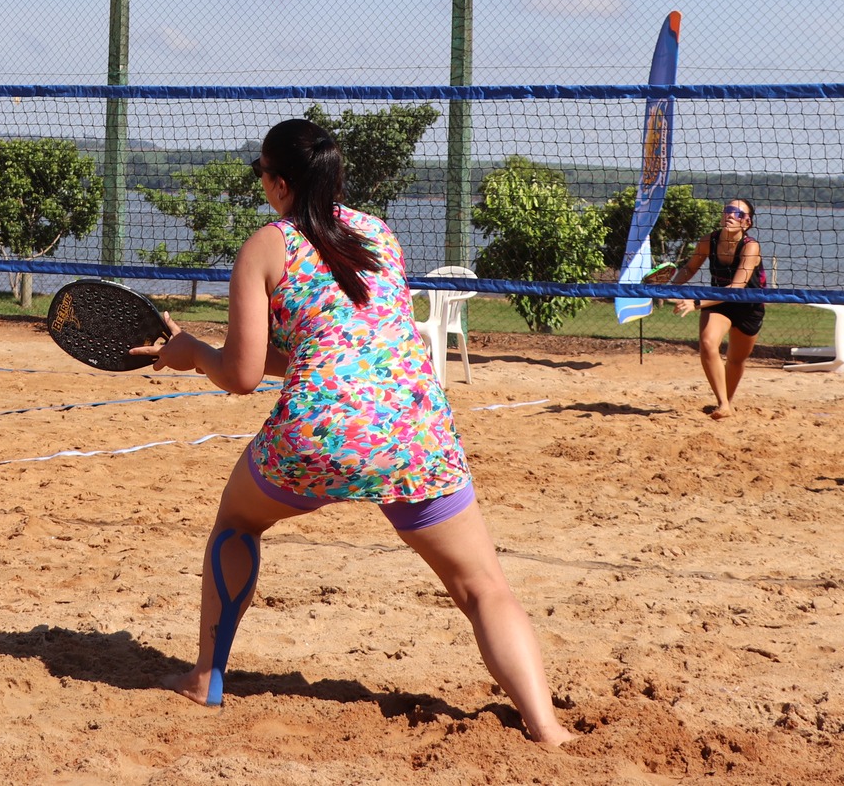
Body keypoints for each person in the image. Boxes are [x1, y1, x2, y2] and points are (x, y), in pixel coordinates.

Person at [135, 118, 572, 745]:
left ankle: (207, 678)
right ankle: (547, 727)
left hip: (317, 433)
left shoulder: (266, 246)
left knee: (236, 523)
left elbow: (239, 375)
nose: (260, 183)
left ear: (280, 181)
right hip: (413, 428)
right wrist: (203, 349)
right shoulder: (378, 234)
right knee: (484, 588)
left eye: (261, 173)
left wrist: (188, 351)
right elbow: (342, 347)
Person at [668, 199, 764, 420]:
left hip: (747, 306)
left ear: (747, 222)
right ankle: (723, 404)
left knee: (736, 360)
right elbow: (690, 267)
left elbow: (737, 287)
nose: (731, 215)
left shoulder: (751, 246)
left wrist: (696, 303)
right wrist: (670, 289)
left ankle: (727, 402)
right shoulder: (708, 241)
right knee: (708, 343)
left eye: (738, 214)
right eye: (728, 211)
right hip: (718, 304)